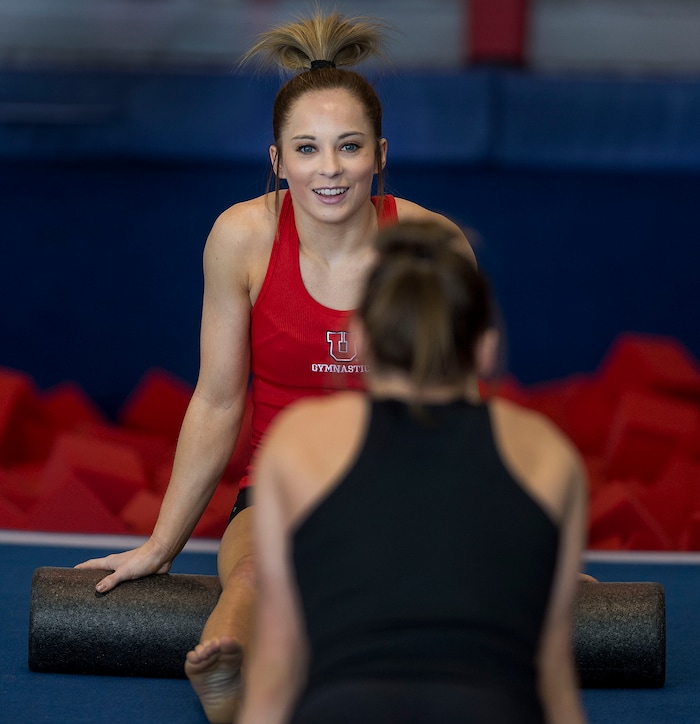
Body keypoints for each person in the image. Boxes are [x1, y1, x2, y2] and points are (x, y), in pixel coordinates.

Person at [75, 10, 474, 723]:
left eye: (349, 148)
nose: (329, 169)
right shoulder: (242, 237)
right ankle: (228, 660)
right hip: (278, 487)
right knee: (258, 570)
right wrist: (163, 544)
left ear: (379, 154)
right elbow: (219, 401)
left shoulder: (430, 244)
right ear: (277, 158)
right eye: (308, 149)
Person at [239, 220, 588, 724]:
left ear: (358, 339)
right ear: (485, 346)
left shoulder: (296, 444)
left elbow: (277, 667)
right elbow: (554, 681)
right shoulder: (547, 454)